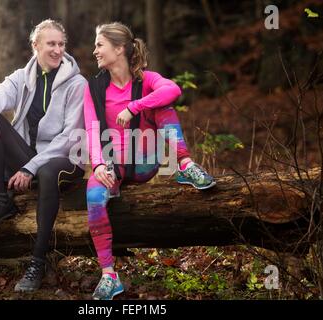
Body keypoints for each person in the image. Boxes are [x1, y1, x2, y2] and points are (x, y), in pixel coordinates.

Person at [84, 22, 216, 300]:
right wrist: (97, 165)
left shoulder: (147, 80)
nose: (94, 51)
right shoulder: (94, 87)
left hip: (146, 160)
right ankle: (109, 276)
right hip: (114, 165)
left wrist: (134, 106)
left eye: (99, 44)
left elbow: (174, 90)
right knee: (94, 195)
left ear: (119, 48)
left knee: (163, 105)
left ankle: (186, 165)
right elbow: (92, 131)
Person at [0, 19, 86, 292]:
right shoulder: (23, 77)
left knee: (48, 171)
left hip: (66, 160)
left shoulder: (77, 84)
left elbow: (70, 136)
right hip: (30, 158)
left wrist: (30, 168)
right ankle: (2, 200)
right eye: (51, 44)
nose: (57, 50)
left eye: (61, 44)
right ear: (36, 45)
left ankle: (38, 261)